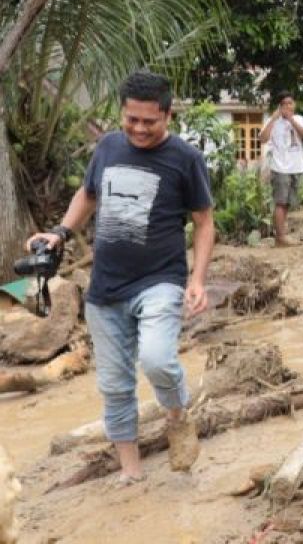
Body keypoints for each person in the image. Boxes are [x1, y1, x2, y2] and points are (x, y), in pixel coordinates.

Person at [26, 71, 213, 484]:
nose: (140, 129)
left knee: (158, 359)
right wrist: (60, 232)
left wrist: (197, 280)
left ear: (168, 115)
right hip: (106, 288)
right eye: (132, 119)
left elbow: (203, 222)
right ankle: (132, 474)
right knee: (113, 384)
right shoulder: (108, 146)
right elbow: (88, 195)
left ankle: (178, 416)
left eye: (150, 121)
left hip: (161, 280)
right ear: (122, 113)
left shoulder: (185, 158)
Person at [259, 91, 303, 247]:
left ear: (294, 105)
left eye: (290, 103)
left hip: (295, 167)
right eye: (284, 104)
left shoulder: (299, 119)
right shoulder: (272, 121)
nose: (288, 106)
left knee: (287, 203)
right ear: (279, 106)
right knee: (280, 203)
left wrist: (291, 120)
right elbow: (262, 139)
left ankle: (281, 236)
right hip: (279, 167)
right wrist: (274, 118)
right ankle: (281, 237)